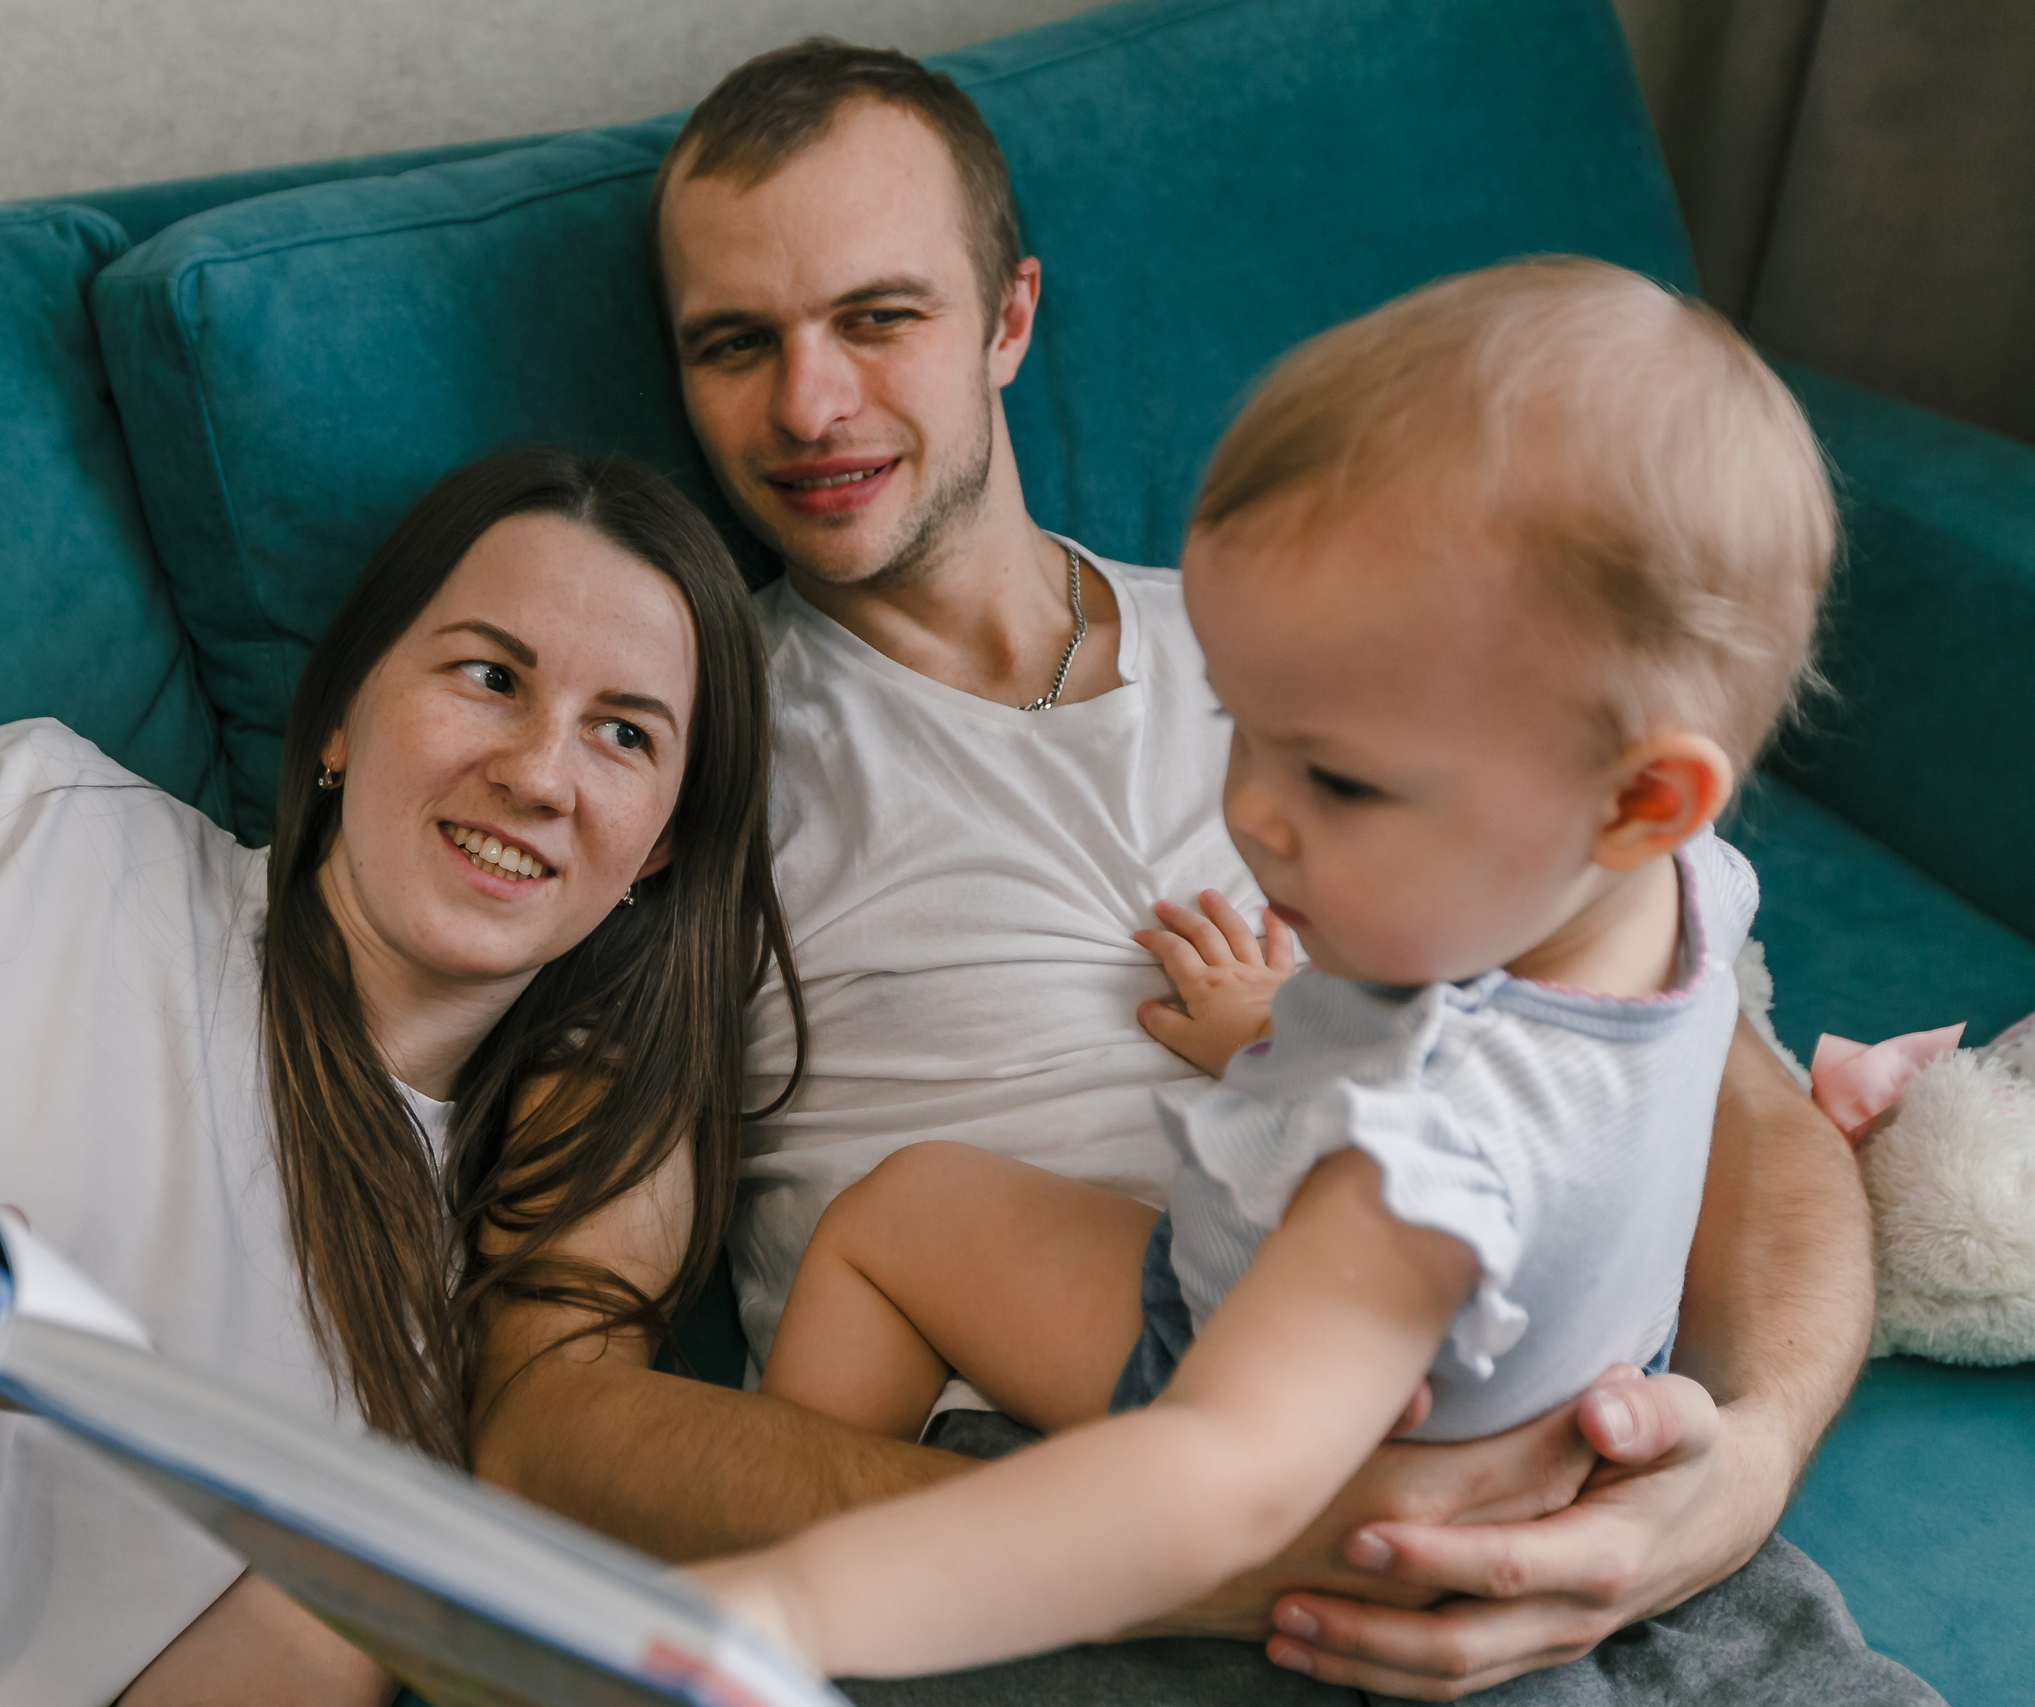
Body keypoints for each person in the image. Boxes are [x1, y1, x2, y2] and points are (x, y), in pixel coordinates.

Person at [471, 40, 1915, 1704]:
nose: (806, 406)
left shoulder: (1364, 637)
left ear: (1009, 319)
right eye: (735, 343)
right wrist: (1158, 1564)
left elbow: (1724, 1100)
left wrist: (1736, 1471)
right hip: (1068, 1521)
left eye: (879, 317)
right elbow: (547, 1407)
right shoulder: (681, 764)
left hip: (1552, 1439)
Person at [0, 449, 797, 1706]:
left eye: (623, 734)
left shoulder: (462, 1378)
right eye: (489, 676)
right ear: (340, 716)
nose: (536, 772)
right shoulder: (36, 820)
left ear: (662, 850)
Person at [692, 255, 1840, 1679]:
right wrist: (1281, 1034)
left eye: (1342, 782)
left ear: (1638, 797)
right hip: (1551, 1381)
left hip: (1286, 1380)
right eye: (1242, 726)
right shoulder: (1676, 888)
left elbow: (1212, 1482)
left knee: (906, 1214)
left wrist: (794, 1604)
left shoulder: (1409, 1158)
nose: (1254, 818)